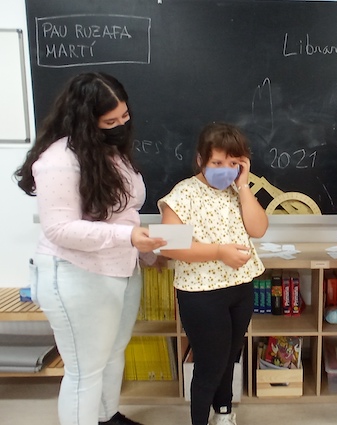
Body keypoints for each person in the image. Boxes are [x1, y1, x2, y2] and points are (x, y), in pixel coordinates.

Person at [14, 72, 167, 425]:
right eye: (110, 122)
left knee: (112, 354)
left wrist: (146, 252)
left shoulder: (112, 153)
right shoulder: (58, 161)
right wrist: (128, 238)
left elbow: (125, 214)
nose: (120, 126)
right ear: (84, 120)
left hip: (121, 269)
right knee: (85, 370)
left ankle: (107, 417)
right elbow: (60, 229)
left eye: (124, 117)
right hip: (76, 274)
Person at [158, 122, 268, 425]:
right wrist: (219, 252)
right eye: (217, 163)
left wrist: (243, 185)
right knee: (210, 364)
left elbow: (258, 228)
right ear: (200, 160)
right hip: (201, 294)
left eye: (233, 163)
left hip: (240, 287)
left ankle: (224, 413)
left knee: (229, 357)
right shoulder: (184, 193)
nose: (225, 170)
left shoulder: (237, 191)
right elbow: (170, 246)